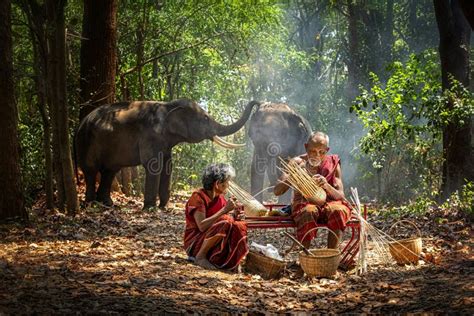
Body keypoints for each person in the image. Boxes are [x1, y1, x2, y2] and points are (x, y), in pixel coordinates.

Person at [274, 132, 351, 249]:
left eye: (322, 152)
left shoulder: (332, 162)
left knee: (338, 210)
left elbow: (340, 196)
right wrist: (293, 176)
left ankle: (331, 255)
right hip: (304, 204)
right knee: (308, 212)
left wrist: (326, 185)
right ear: (306, 147)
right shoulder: (297, 162)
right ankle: (305, 257)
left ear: (327, 150)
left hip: (329, 203)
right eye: (313, 151)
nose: (317, 155)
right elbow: (277, 191)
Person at [184, 163, 248, 270]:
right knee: (225, 220)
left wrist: (235, 215)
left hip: (210, 239)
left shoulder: (220, 198)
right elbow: (202, 226)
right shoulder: (198, 198)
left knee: (238, 225)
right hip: (195, 243)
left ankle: (228, 260)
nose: (229, 185)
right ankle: (200, 256)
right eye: (227, 182)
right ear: (218, 184)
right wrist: (224, 210)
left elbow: (223, 223)